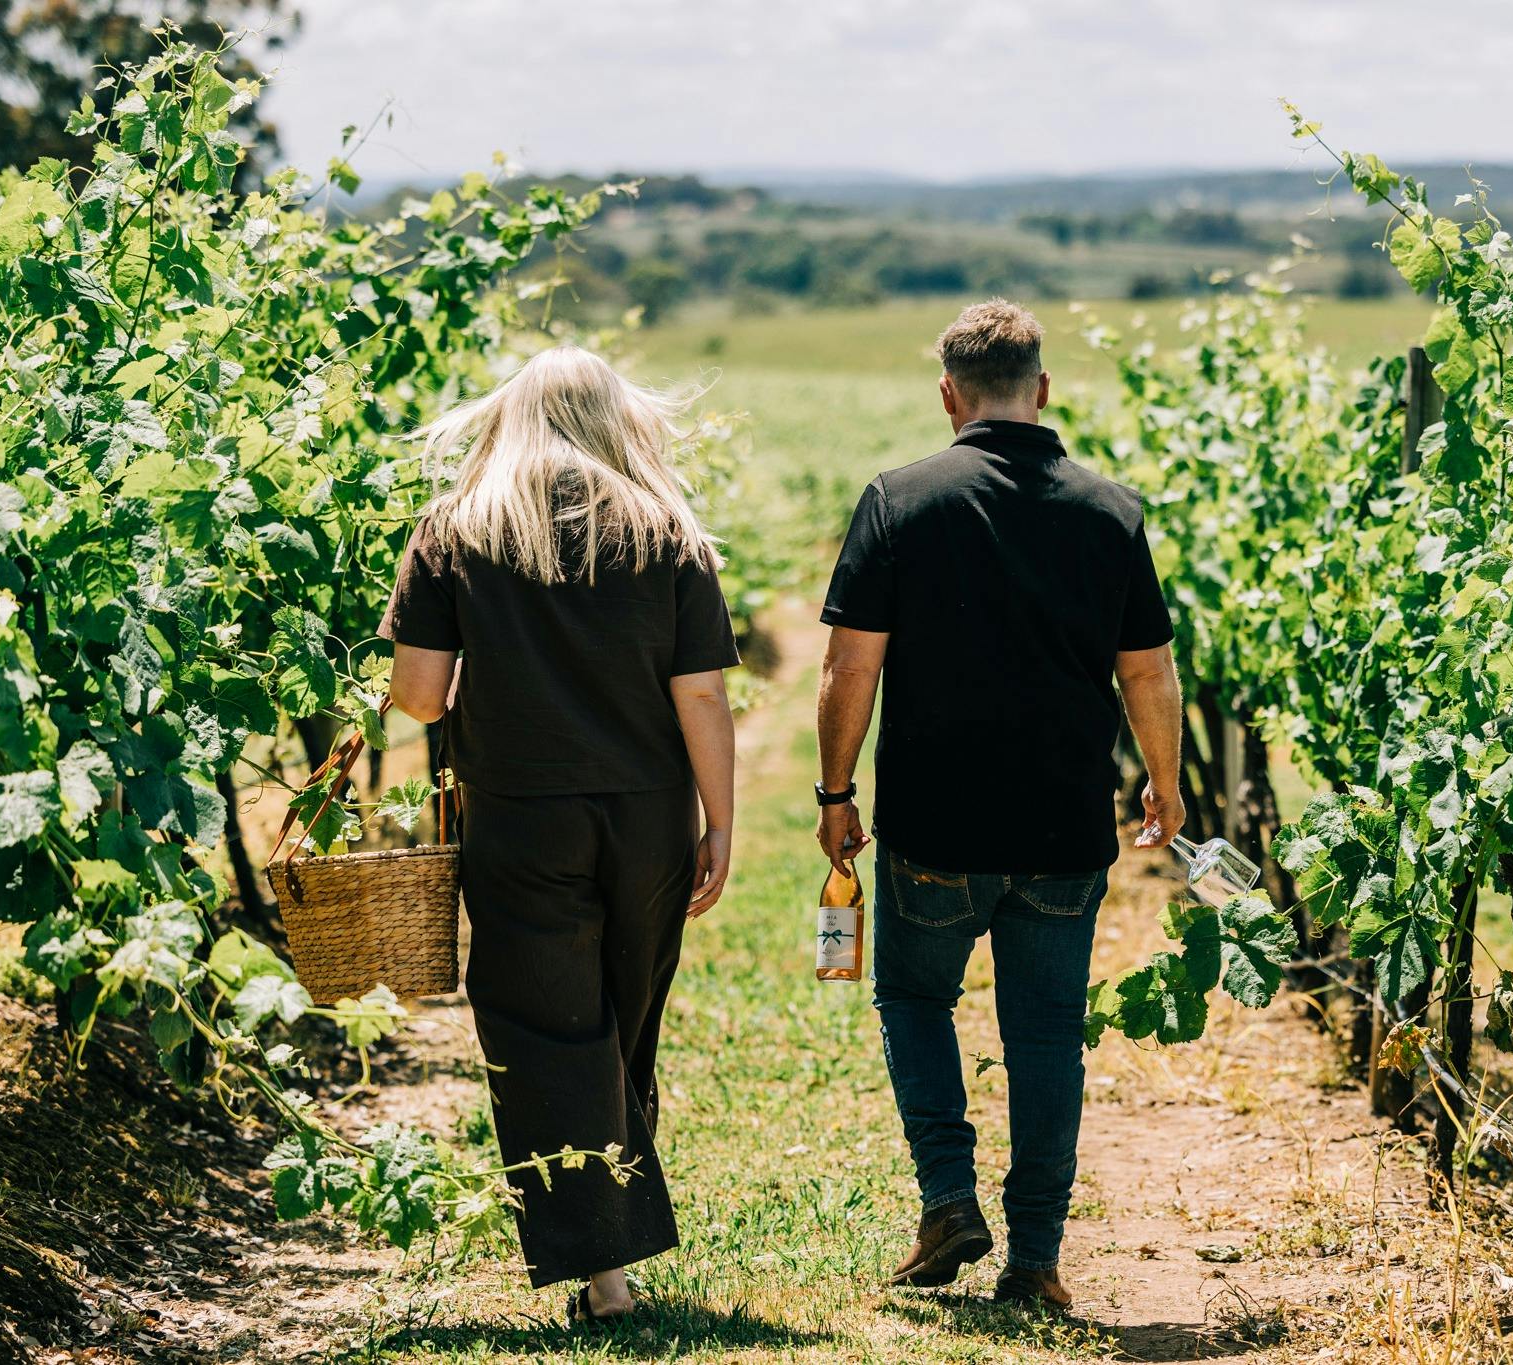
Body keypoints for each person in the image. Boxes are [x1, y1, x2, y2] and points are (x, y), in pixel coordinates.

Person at [814, 299, 1185, 1311]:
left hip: (936, 827)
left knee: (913, 998)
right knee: (1043, 1034)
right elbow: (1146, 675)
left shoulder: (899, 500)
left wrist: (835, 792)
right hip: (1065, 829)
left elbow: (851, 668)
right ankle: (1034, 1262)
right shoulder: (1111, 512)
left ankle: (946, 1197)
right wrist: (1165, 778)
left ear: (948, 395)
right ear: (1043, 390)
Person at [382, 345, 739, 1322]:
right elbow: (701, 695)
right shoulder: (668, 532)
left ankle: (605, 1278)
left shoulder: (456, 530)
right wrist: (720, 823)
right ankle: (611, 1261)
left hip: (520, 815)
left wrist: (499, 681)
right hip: (649, 815)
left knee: (548, 1034)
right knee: (622, 1025)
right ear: (616, 419)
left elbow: (416, 696)